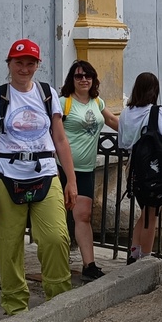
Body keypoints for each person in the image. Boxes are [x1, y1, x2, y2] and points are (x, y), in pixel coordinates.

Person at [0, 39, 78, 315]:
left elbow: (60, 138)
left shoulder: (47, 94)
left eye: (30, 63)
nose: (24, 68)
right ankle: (15, 306)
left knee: (56, 238)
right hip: (5, 176)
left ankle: (59, 301)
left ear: (37, 65)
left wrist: (71, 179)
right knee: (9, 245)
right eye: (19, 63)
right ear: (9, 64)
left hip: (45, 173)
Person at [59, 60, 120, 281]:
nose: (83, 79)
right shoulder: (63, 103)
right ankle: (56, 262)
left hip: (86, 170)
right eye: (78, 76)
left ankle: (89, 265)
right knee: (59, 216)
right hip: (62, 169)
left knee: (82, 216)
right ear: (71, 80)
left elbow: (113, 121)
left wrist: (144, 133)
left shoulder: (97, 102)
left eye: (88, 76)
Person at [118, 72, 162, 263]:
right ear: (155, 90)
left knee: (145, 212)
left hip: (133, 168)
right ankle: (145, 260)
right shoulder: (156, 112)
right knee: (151, 216)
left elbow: (123, 143)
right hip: (153, 169)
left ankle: (134, 254)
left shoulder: (125, 113)